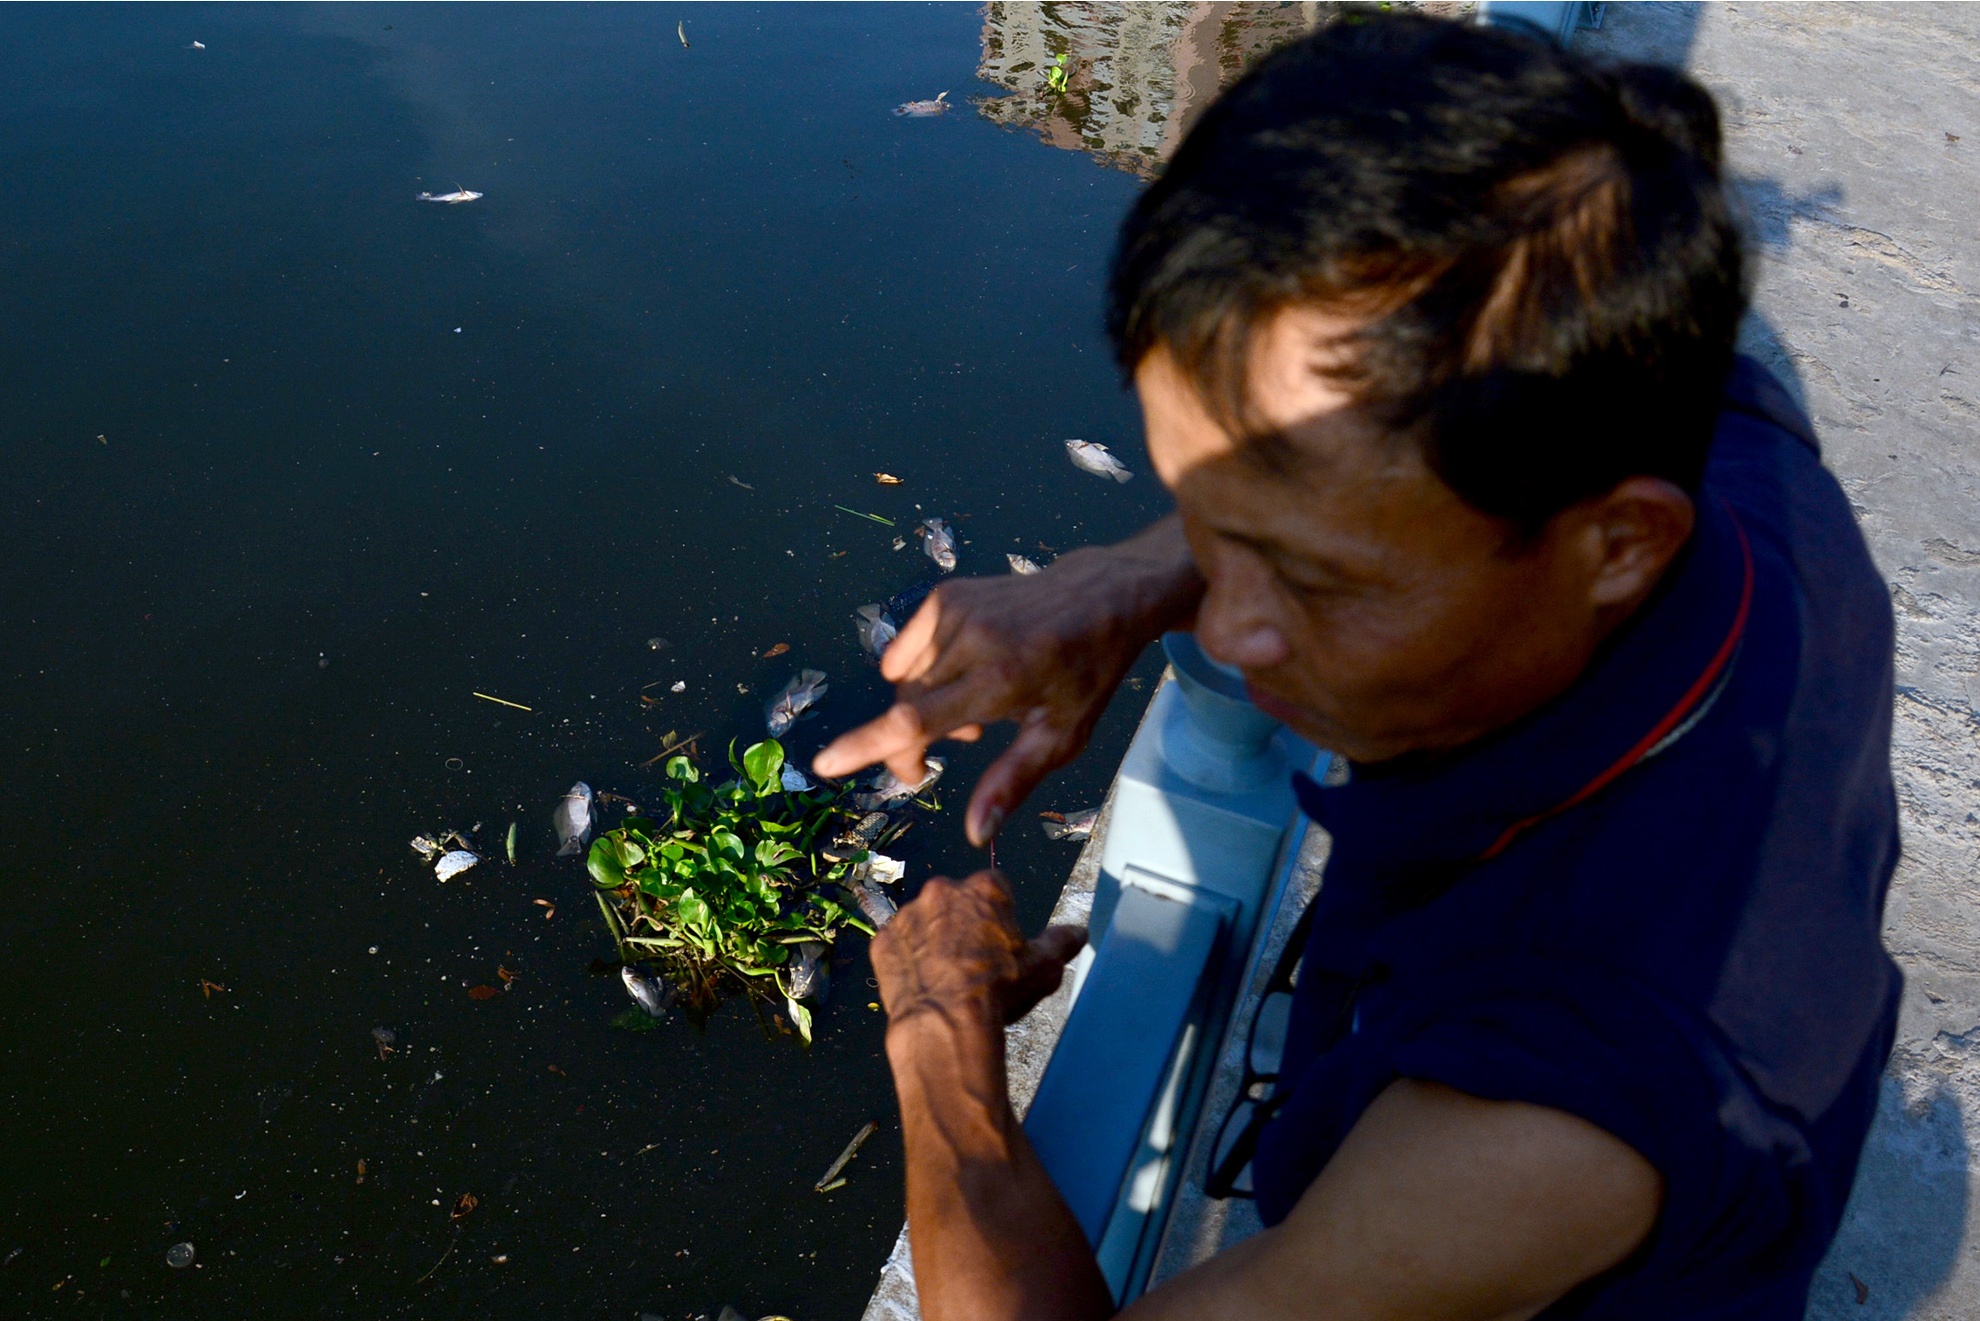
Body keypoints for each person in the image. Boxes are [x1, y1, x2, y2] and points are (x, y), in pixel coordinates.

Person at [814, 12, 1899, 1321]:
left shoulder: (1544, 1119)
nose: (1223, 632)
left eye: (1317, 577)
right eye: (1209, 521)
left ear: (1617, 542)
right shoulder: (1715, 432)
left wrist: (937, 1040)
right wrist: (1117, 582)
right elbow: (1345, 490)